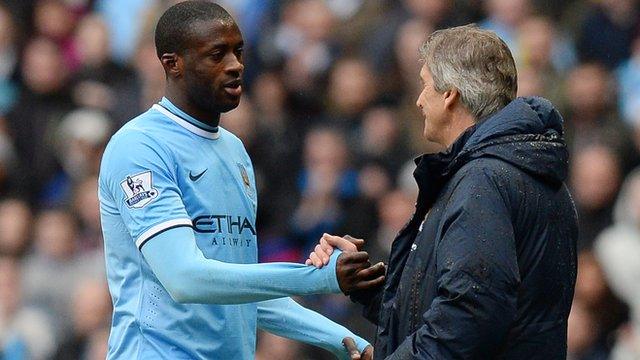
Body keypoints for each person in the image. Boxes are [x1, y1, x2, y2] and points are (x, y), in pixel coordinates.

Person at [97, 2, 385, 359]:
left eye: (238, 52)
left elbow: (241, 292)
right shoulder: (139, 147)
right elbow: (184, 278)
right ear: (173, 64)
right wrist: (317, 279)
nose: (235, 66)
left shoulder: (235, 152)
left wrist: (342, 338)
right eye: (217, 54)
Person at [307, 25, 578, 359]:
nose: (419, 100)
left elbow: (469, 315)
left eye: (424, 84)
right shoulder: (523, 171)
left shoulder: (483, 180)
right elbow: (459, 305)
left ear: (450, 94)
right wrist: (366, 284)